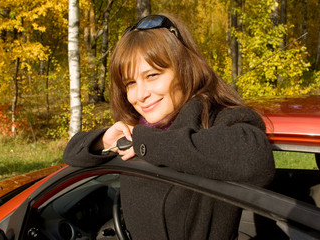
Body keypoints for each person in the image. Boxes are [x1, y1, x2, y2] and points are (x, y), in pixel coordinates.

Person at [63, 14, 275, 240]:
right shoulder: (140, 125)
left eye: (152, 75)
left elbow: (256, 160)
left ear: (185, 69)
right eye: (131, 83)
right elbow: (73, 154)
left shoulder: (214, 119)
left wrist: (147, 142)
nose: (141, 95)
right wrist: (104, 140)